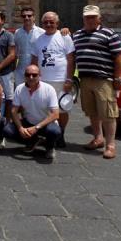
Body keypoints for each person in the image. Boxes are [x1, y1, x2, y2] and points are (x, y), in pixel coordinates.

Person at [72, 5, 121, 159]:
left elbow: (119, 57)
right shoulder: (77, 35)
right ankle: (98, 138)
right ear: (83, 18)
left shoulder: (109, 34)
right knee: (92, 112)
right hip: (85, 79)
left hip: (104, 80)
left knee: (108, 114)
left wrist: (117, 78)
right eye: (87, 17)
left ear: (99, 18)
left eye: (93, 17)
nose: (90, 19)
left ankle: (111, 145)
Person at [31, 11, 75, 148]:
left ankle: (60, 135)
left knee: (62, 109)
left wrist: (69, 79)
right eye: (46, 22)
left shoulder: (65, 37)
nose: (49, 24)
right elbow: (34, 59)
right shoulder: (38, 40)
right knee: (45, 109)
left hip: (60, 80)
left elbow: (70, 59)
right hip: (43, 81)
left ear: (57, 23)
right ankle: (48, 134)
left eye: (51, 22)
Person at [3, 64, 61, 160]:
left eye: (34, 75)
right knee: (7, 130)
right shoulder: (19, 89)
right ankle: (33, 140)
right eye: (28, 74)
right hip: (29, 122)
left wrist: (36, 127)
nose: (31, 77)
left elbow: (55, 114)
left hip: (45, 124)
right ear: (24, 76)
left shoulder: (49, 89)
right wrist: (20, 128)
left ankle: (50, 147)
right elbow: (13, 111)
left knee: (54, 131)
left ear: (39, 76)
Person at [13, 8, 45, 87]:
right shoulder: (17, 33)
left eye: (29, 15)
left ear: (34, 17)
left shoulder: (42, 32)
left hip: (36, 72)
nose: (26, 18)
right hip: (20, 71)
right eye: (24, 16)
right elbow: (15, 53)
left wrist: (64, 31)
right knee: (20, 94)